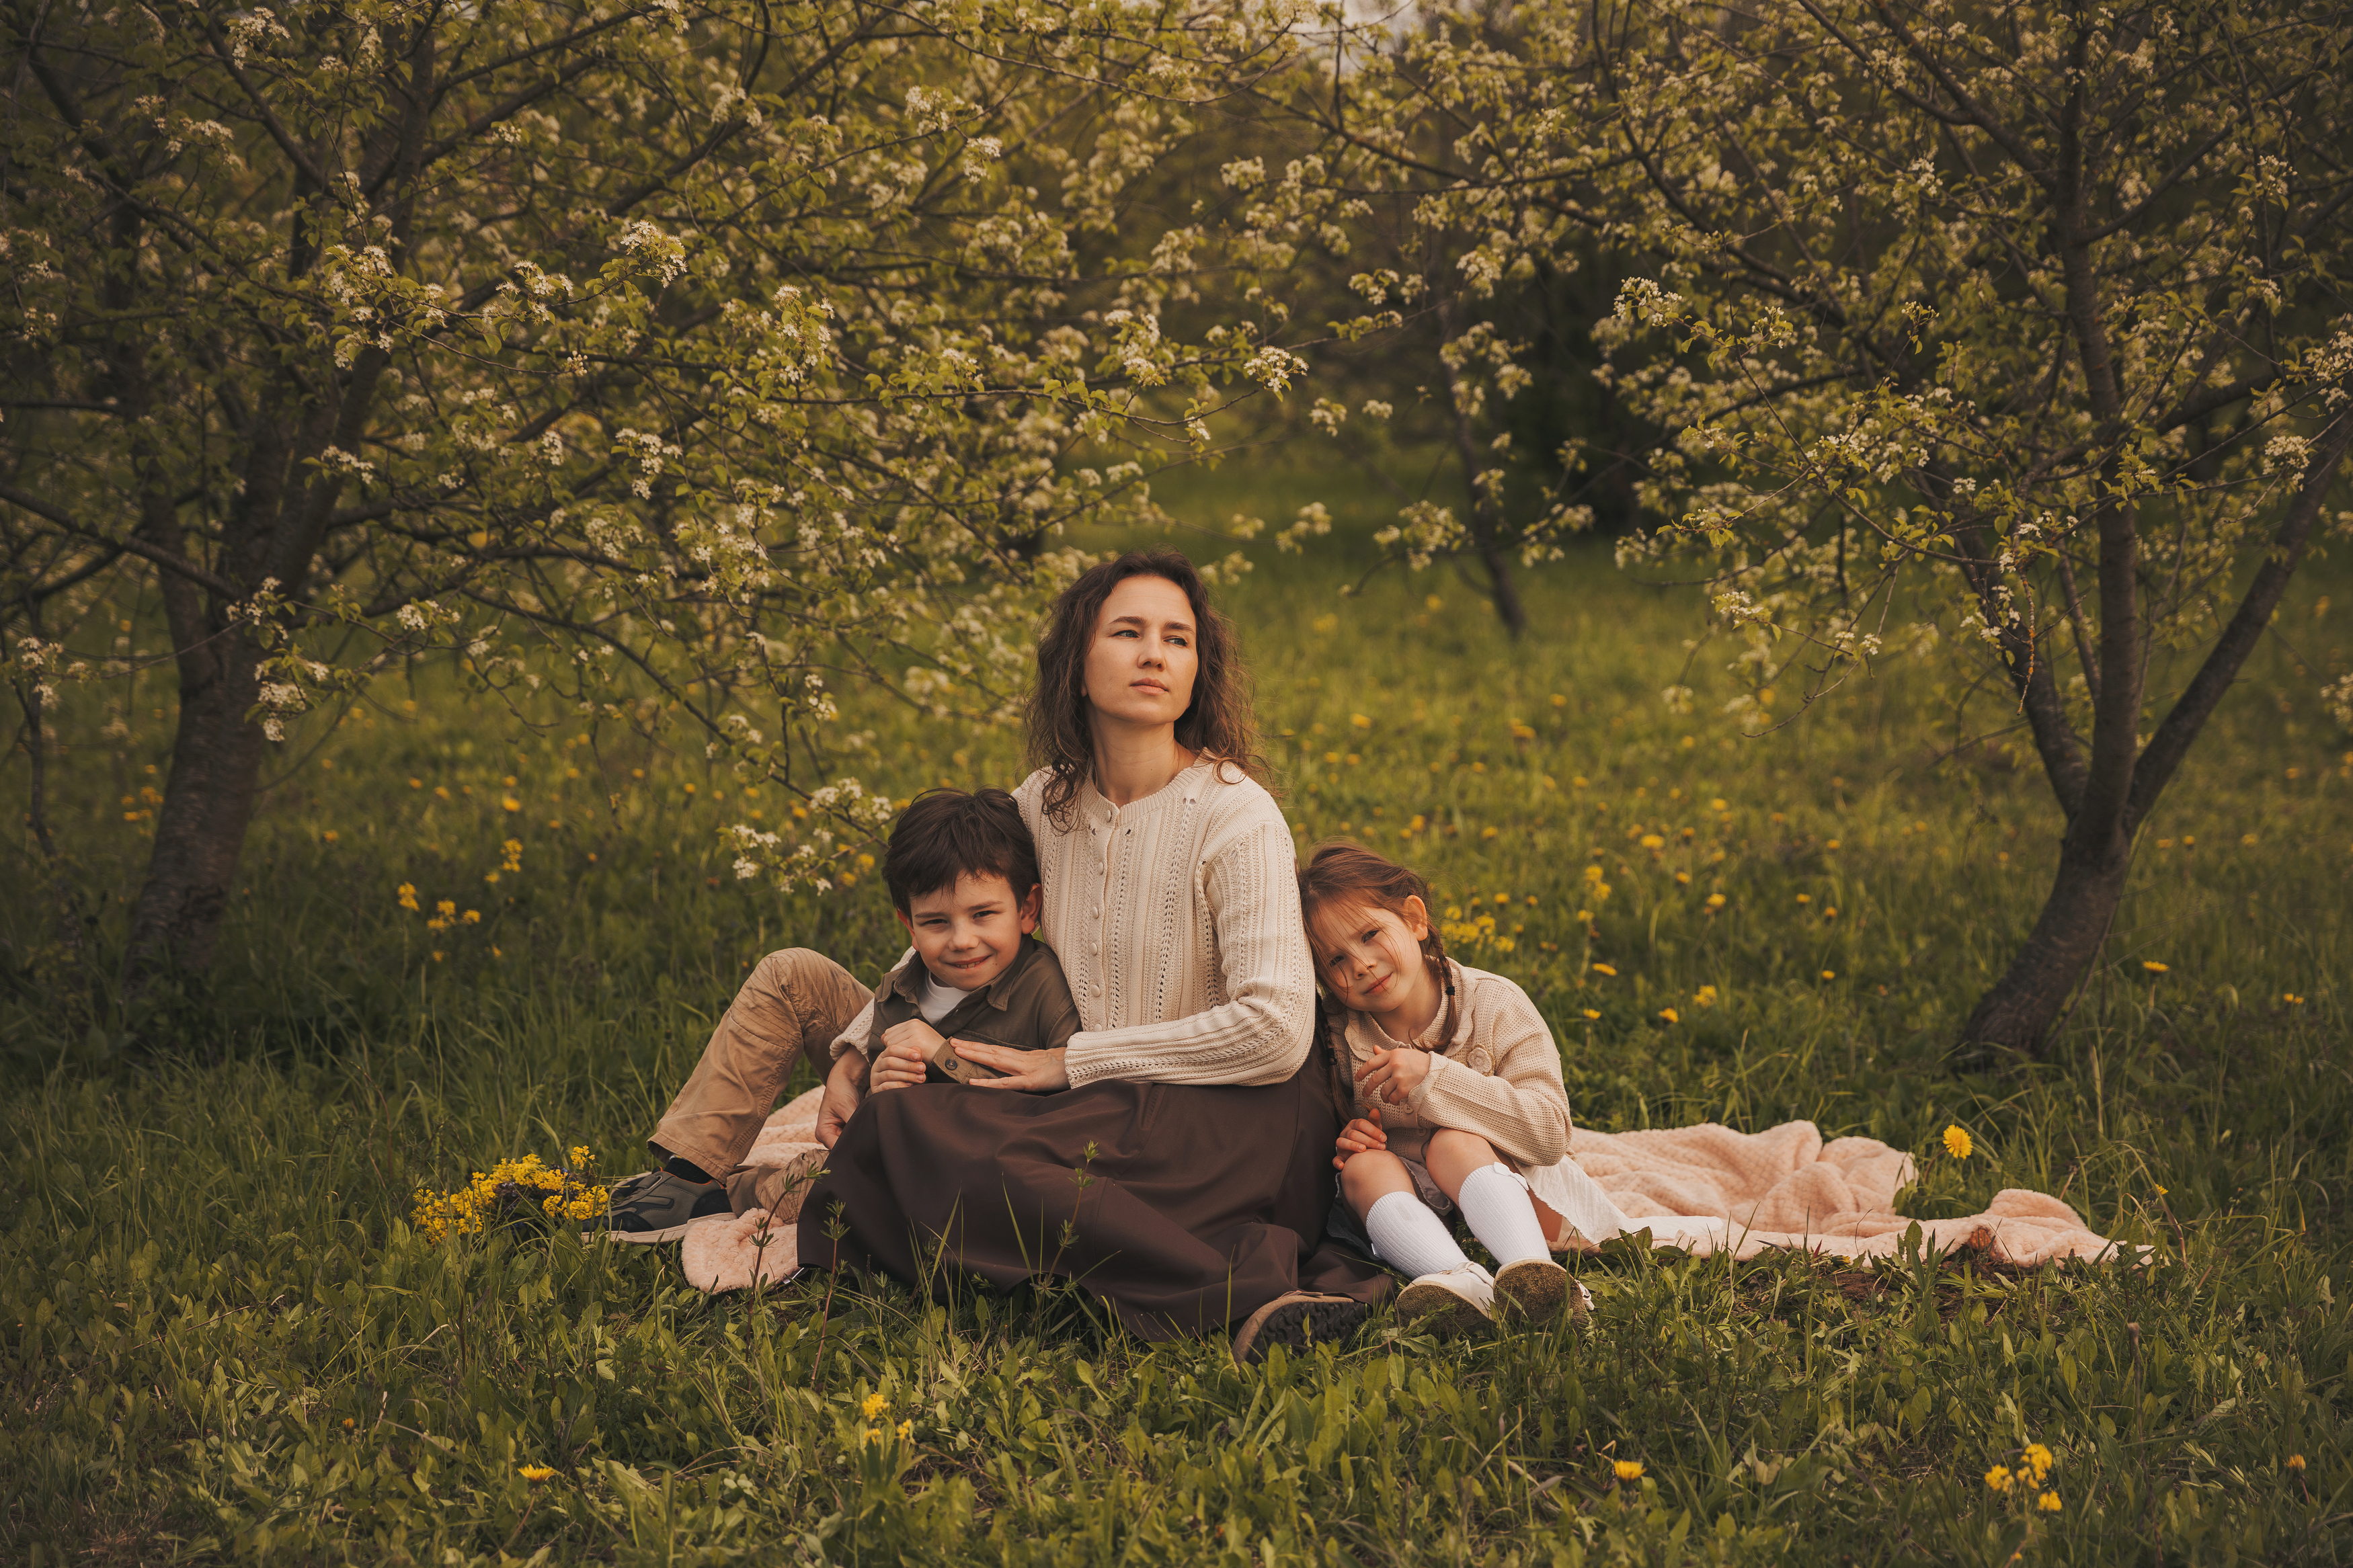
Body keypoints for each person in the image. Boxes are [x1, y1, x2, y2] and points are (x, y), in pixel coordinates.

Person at [601, 549, 1387, 1360]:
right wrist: (853, 1047)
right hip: (1075, 1094)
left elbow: (1275, 1031)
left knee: (921, 1133)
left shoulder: (1236, 814)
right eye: (1128, 631)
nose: (1155, 653)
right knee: (906, 1110)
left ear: (1196, 672)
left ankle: (1254, 1291)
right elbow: (964, 933)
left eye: (1177, 638)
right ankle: (705, 1181)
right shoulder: (1042, 802)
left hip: (1224, 1110)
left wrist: (1069, 1062)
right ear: (1078, 665)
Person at [594, 788, 1080, 1239]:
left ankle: (726, 1197)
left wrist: (940, 1060)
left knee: (833, 1181)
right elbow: (877, 1087)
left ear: (1027, 908)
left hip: (960, 1159)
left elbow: (1066, 1109)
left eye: (983, 915)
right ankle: (688, 1172)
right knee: (791, 972)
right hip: (886, 1130)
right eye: (936, 922)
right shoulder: (908, 981)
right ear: (909, 927)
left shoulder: (1043, 985)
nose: (962, 940)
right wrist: (879, 1080)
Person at [1301, 841, 1591, 1335]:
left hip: (1503, 1185)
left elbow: (1548, 1133)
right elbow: (1334, 1125)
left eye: (1371, 934)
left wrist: (1437, 1078)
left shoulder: (1496, 1004)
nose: (1362, 965)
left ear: (1415, 918)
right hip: (1410, 1198)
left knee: (1452, 1142)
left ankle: (1537, 1276)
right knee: (1361, 1169)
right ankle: (1460, 1283)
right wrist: (1351, 1136)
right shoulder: (1336, 1036)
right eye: (1336, 960)